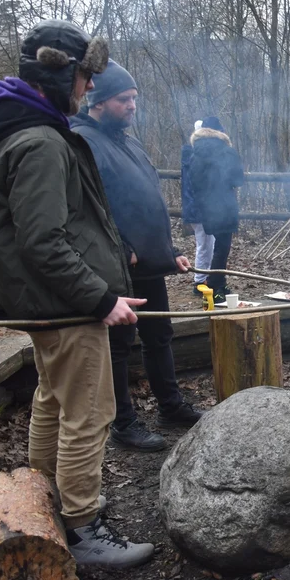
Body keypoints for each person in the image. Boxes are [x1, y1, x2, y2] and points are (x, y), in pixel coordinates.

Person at [0, 19, 153, 568]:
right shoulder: (40, 141)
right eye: (83, 78)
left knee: (53, 398)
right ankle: (83, 523)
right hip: (65, 306)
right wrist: (100, 298)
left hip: (48, 304)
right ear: (61, 75)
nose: (88, 89)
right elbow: (44, 240)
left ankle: (42, 496)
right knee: (89, 412)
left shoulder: (20, 130)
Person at [72, 60, 204, 452]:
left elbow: (148, 204)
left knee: (159, 333)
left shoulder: (126, 139)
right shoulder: (82, 141)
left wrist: (171, 251)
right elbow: (87, 208)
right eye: (123, 99)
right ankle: (123, 424)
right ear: (97, 100)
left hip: (147, 260)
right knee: (118, 344)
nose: (132, 106)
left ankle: (170, 406)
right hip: (116, 264)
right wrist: (121, 247)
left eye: (133, 99)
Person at [189, 116, 244, 303]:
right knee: (222, 247)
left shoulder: (195, 153)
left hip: (207, 205)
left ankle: (217, 281)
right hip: (225, 204)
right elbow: (238, 179)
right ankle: (215, 285)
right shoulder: (226, 151)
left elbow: (194, 181)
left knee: (217, 246)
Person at [181, 119, 215, 298]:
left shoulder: (192, 156)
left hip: (198, 208)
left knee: (208, 244)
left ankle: (205, 277)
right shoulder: (194, 157)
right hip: (199, 209)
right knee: (205, 245)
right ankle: (200, 281)